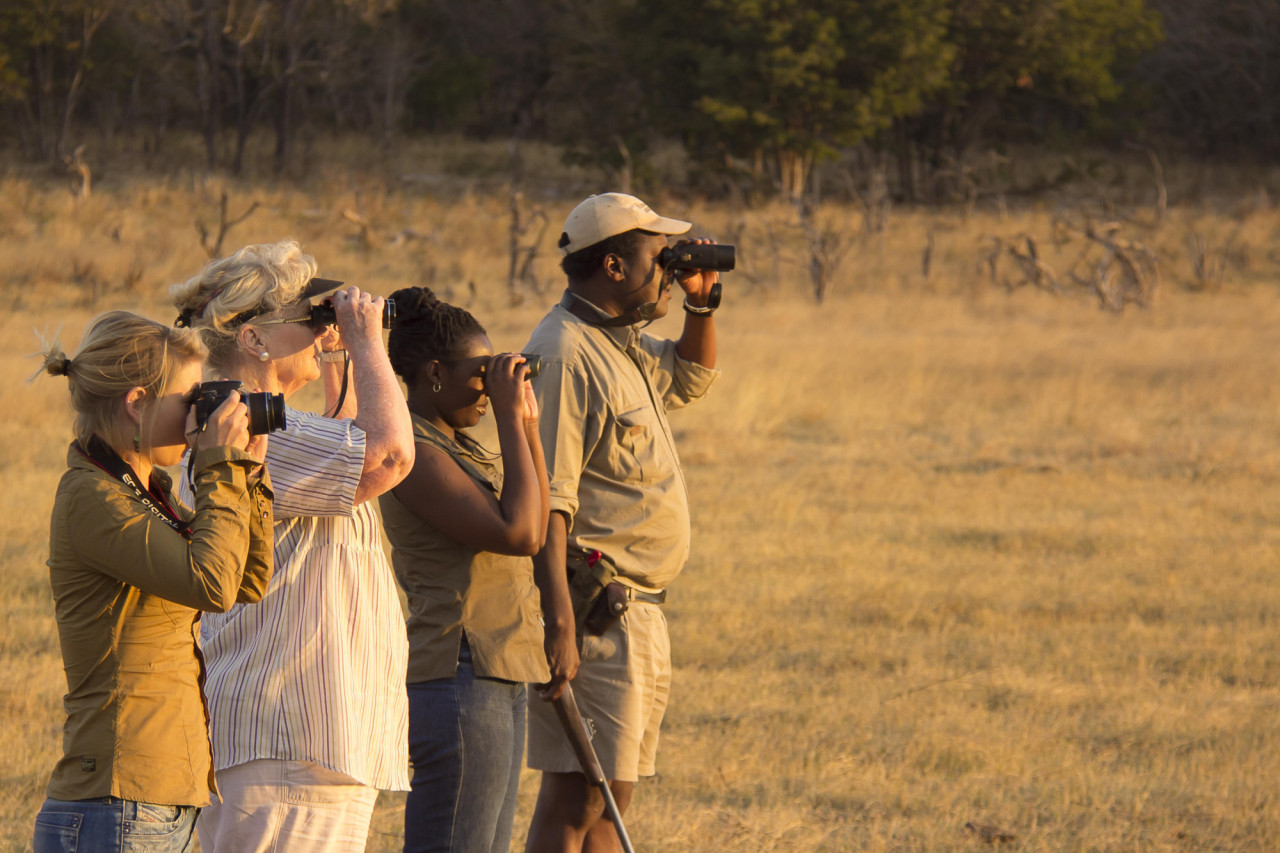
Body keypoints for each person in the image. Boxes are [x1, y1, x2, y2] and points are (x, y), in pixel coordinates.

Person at [169, 240, 416, 852]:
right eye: (307, 322)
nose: (319, 332)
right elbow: (386, 454)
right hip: (287, 740)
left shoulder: (261, 424)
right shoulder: (247, 425)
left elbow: (352, 440)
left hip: (299, 742)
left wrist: (338, 355)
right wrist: (365, 342)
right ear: (254, 339)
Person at [521, 192, 722, 852]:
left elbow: (691, 377)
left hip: (638, 611)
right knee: (577, 801)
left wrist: (700, 302)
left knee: (613, 801)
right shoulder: (565, 352)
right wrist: (560, 624)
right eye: (658, 258)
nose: (668, 269)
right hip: (596, 610)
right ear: (612, 266)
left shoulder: (621, 341)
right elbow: (549, 504)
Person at [30, 311, 273, 853]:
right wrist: (218, 467)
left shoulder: (147, 492)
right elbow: (209, 583)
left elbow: (244, 581)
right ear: (137, 401)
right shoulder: (95, 499)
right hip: (119, 802)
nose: (196, 420)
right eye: (189, 401)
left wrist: (246, 476)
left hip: (151, 799)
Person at [378, 286, 551, 853]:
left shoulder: (458, 444)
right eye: (479, 374)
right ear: (432, 373)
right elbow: (520, 534)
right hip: (459, 671)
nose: (487, 388)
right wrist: (510, 418)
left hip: (497, 667)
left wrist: (524, 423)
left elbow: (540, 523)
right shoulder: (416, 451)